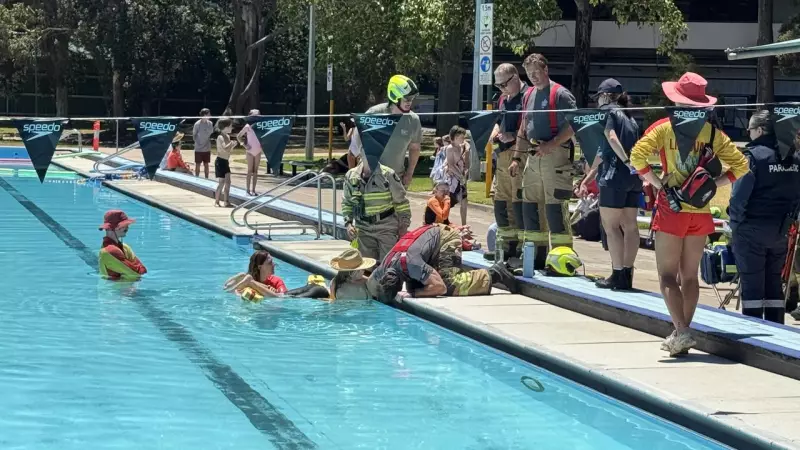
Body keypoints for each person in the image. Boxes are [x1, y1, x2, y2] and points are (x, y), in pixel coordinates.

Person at [630, 72, 749, 356]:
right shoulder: (711, 132)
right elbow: (741, 165)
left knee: (667, 276)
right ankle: (681, 331)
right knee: (690, 277)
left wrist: (660, 185)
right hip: (701, 210)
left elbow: (636, 158)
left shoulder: (663, 128)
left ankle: (682, 331)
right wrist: (713, 184)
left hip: (672, 210)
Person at [729, 110, 800, 324]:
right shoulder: (795, 157)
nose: (748, 133)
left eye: (749, 129)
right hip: (780, 230)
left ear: (759, 130)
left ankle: (753, 334)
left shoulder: (753, 156)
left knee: (752, 284)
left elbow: (739, 196)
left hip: (750, 228)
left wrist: (736, 224)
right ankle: (776, 329)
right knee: (774, 284)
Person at [516, 53, 578, 269]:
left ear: (546, 70)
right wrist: (517, 156)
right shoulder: (528, 95)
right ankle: (535, 257)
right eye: (529, 74)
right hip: (533, 158)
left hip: (556, 156)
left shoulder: (561, 94)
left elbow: (574, 124)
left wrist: (551, 144)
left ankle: (562, 259)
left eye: (536, 72)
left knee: (555, 208)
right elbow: (524, 126)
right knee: (531, 206)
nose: (533, 77)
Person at [581, 79, 642, 290]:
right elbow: (602, 151)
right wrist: (588, 177)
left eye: (598, 97)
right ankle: (627, 272)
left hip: (614, 175)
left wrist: (623, 160)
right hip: (633, 178)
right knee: (631, 226)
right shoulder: (630, 118)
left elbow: (610, 137)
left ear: (605, 96)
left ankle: (617, 274)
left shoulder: (608, 112)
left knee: (611, 226)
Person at [365, 224, 520, 302]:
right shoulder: (384, 266)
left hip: (446, 238)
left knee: (450, 285)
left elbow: (440, 287)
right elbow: (370, 284)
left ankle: (495, 273)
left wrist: (412, 294)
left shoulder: (412, 264)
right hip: (429, 240)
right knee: (418, 284)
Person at [489, 63, 531, 261]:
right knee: (501, 199)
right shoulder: (503, 99)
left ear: (515, 78)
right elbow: (499, 119)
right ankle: (506, 244)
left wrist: (512, 135)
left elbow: (529, 126)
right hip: (503, 153)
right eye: (497, 86)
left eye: (503, 85)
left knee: (518, 199)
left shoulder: (528, 97)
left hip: (520, 152)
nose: (501, 90)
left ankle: (522, 246)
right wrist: (496, 130)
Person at [342, 160, 411, 261]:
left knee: (388, 263)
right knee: (366, 265)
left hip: (386, 227)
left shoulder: (387, 174)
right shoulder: (351, 175)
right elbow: (347, 202)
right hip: (363, 228)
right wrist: (348, 223)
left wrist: (404, 225)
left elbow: (401, 202)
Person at [362, 75, 423, 187]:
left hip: (397, 179)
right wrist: (365, 172)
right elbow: (359, 142)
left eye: (412, 99)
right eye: (407, 99)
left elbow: (415, 148)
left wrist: (409, 174)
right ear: (394, 96)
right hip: (372, 179)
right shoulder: (375, 113)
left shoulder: (414, 120)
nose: (410, 102)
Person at [98, 210, 147, 281]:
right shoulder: (109, 251)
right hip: (113, 291)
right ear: (113, 227)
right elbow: (136, 273)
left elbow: (143, 270)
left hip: (126, 289)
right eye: (124, 225)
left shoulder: (125, 247)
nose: (127, 227)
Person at [223, 250, 287, 299]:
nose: (274, 264)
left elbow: (283, 295)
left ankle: (249, 281)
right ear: (260, 267)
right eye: (270, 263)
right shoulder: (244, 281)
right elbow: (283, 297)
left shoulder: (276, 281)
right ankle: (249, 281)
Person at [444, 125, 470, 225]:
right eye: (460, 137)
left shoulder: (462, 147)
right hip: (453, 179)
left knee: (464, 202)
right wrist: (460, 175)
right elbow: (450, 164)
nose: (463, 139)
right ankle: (444, 220)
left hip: (461, 179)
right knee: (449, 201)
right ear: (454, 137)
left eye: (463, 136)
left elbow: (466, 163)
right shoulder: (450, 148)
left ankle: (464, 224)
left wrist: (465, 172)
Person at [236, 109, 263, 196]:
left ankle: (254, 190)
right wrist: (244, 144)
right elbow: (239, 136)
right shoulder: (247, 126)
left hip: (258, 150)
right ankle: (247, 190)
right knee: (249, 170)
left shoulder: (260, 125)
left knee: (255, 171)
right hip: (250, 150)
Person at [214, 118, 236, 207]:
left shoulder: (228, 136)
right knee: (221, 182)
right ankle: (217, 201)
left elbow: (228, 151)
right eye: (230, 126)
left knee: (228, 182)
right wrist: (231, 143)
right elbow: (225, 148)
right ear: (225, 127)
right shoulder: (220, 137)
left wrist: (233, 146)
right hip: (220, 161)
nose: (232, 127)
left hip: (225, 161)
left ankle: (226, 201)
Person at [193, 108, 214, 178]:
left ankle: (206, 179)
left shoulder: (210, 124)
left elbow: (210, 133)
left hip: (207, 148)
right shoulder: (197, 124)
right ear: (204, 115)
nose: (210, 115)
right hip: (198, 148)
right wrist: (198, 143)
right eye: (209, 114)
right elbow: (194, 135)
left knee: (206, 164)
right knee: (198, 164)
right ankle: (196, 178)